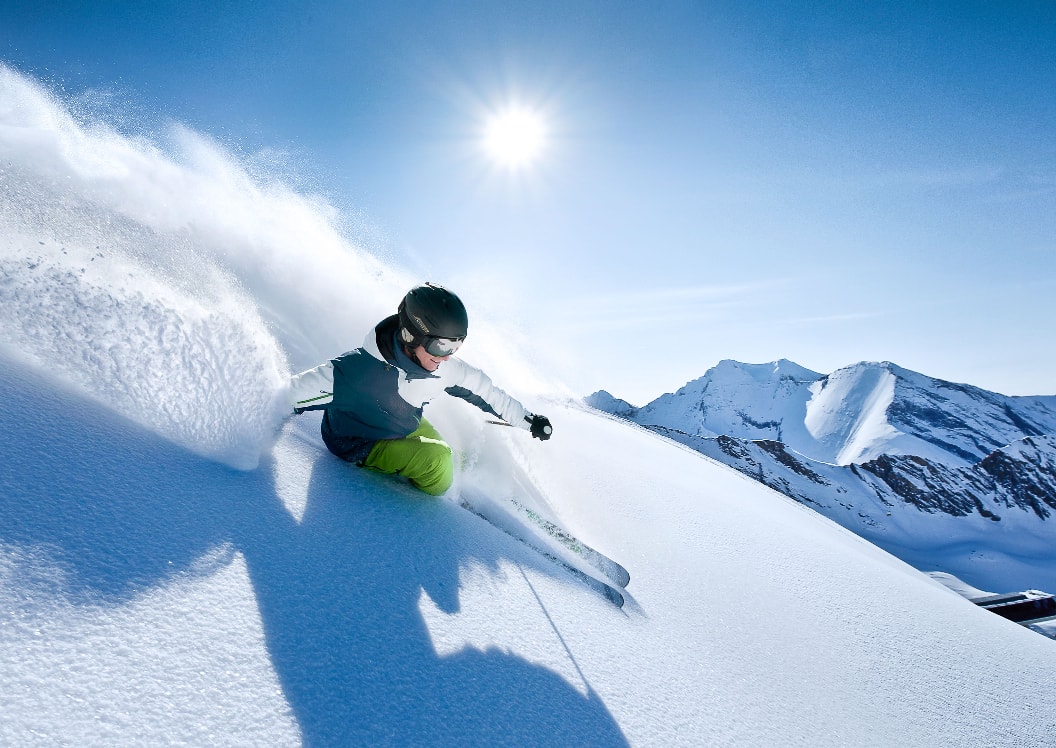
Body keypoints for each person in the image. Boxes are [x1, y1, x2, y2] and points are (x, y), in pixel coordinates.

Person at [288, 283, 552, 496]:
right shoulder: (357, 372)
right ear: (411, 336)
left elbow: (488, 392)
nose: (447, 357)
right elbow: (287, 395)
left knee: (445, 447)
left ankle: (448, 474)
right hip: (357, 442)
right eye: (441, 347)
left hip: (400, 422)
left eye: (456, 347)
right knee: (438, 462)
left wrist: (529, 422)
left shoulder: (442, 368)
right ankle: (433, 484)